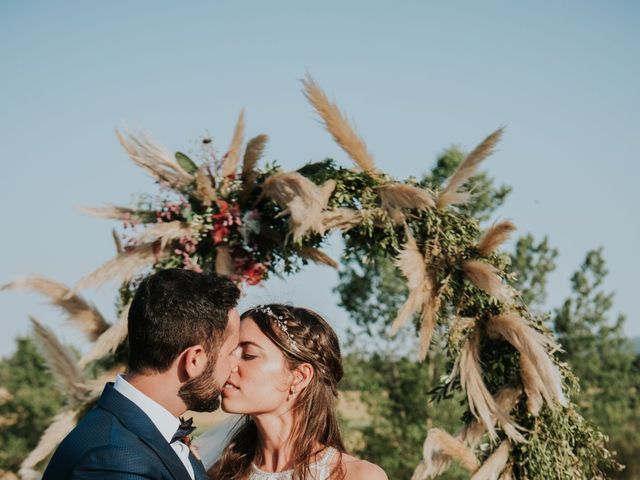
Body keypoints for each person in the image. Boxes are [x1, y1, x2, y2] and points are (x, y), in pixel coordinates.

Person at [42, 268, 241, 480]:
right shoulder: (117, 460)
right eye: (230, 352)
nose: (235, 366)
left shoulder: (139, 434)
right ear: (194, 359)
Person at [208, 304, 387, 480]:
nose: (229, 364)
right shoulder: (219, 474)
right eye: (230, 352)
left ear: (300, 376)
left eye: (248, 355)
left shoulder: (358, 476)